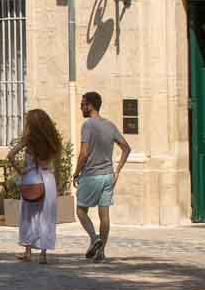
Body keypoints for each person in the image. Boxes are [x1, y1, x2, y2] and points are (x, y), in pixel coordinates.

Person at [73, 90, 130, 262]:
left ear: (90, 106)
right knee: (104, 215)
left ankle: (94, 237)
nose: (80, 107)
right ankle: (102, 251)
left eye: (83, 104)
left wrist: (76, 173)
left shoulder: (88, 125)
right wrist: (117, 170)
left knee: (81, 211)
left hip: (91, 175)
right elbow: (126, 148)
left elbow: (83, 153)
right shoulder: (110, 125)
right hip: (108, 176)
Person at [13, 107, 63, 263]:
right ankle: (43, 254)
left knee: (28, 216)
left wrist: (21, 171)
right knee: (47, 217)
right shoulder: (53, 141)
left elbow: (10, 155)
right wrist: (59, 183)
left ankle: (28, 252)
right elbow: (58, 166)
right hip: (48, 180)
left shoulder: (29, 140)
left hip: (31, 178)